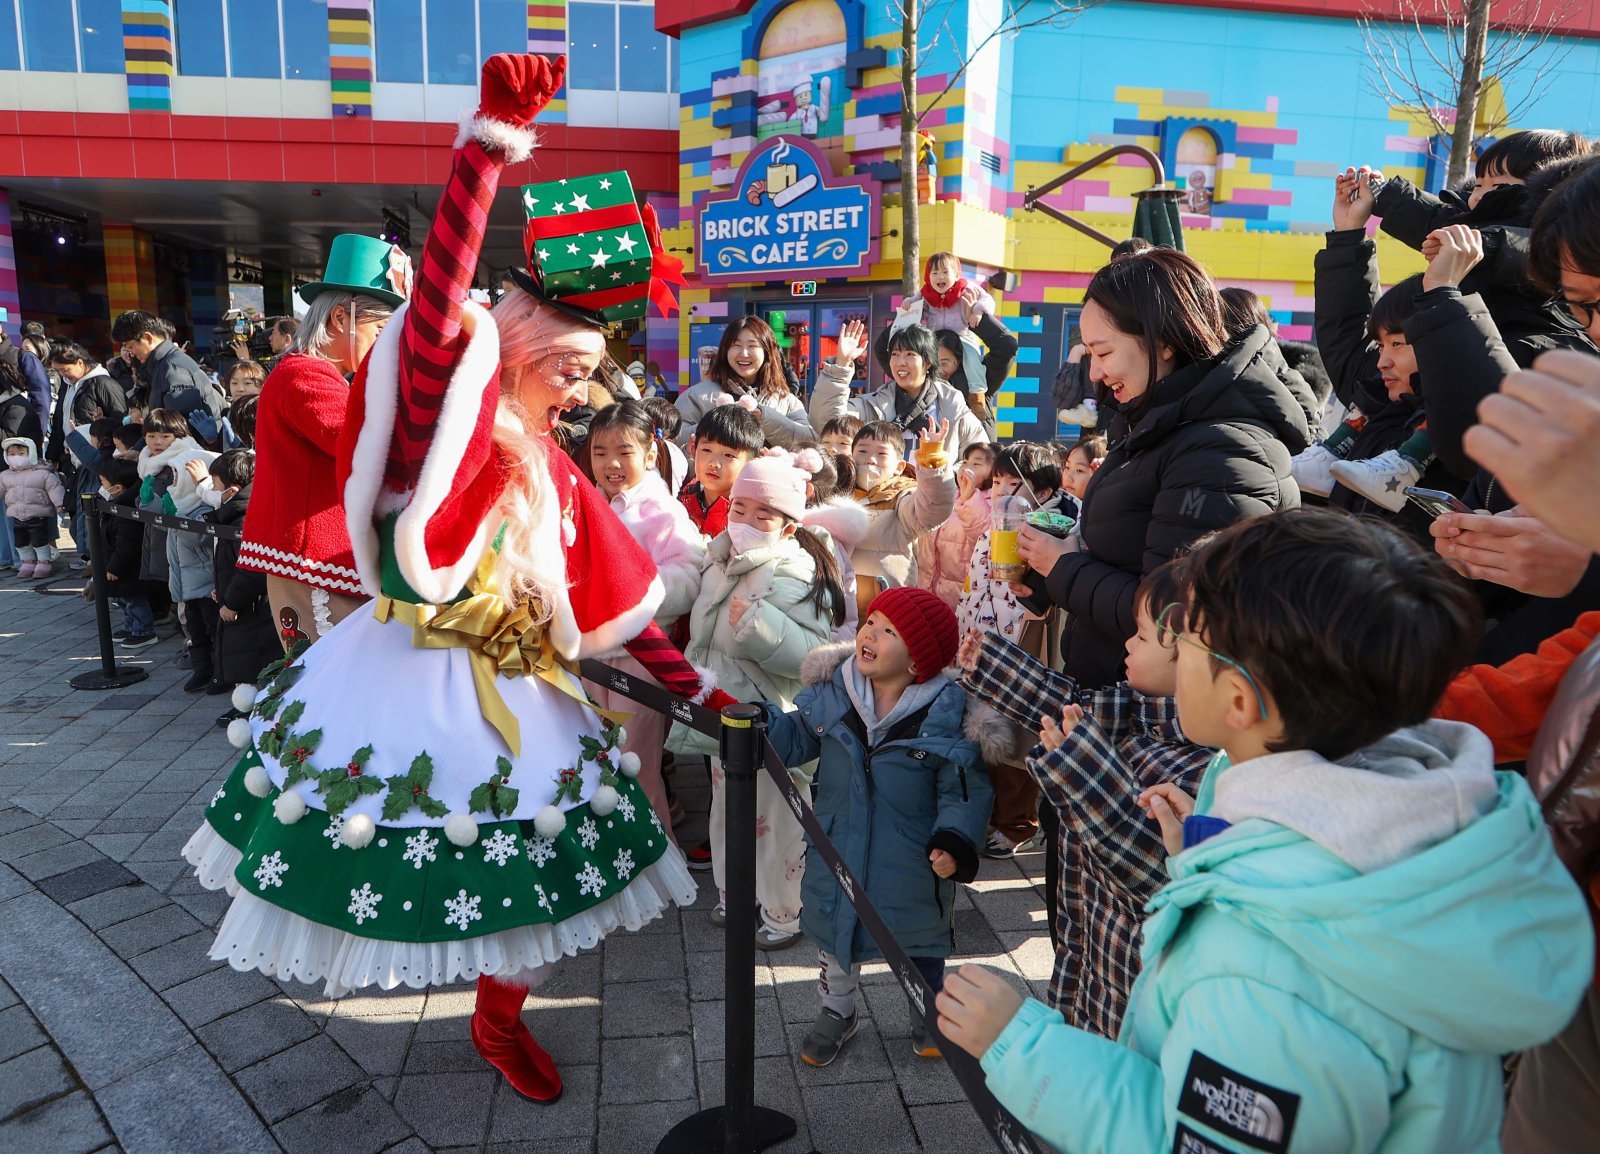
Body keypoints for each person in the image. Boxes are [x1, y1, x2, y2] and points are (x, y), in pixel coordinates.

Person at [182, 52, 732, 1105]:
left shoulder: (559, 470)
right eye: (569, 372)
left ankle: (498, 1014)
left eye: (586, 374)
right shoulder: (444, 426)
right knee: (392, 850)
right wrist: (485, 151)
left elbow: (618, 607)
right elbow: (435, 310)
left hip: (518, 686)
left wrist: (710, 693)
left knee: (531, 880)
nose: (581, 393)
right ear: (516, 353)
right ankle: (461, 997)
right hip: (400, 672)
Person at [937, 508, 1593, 1154]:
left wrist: (1018, 1042)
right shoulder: (1414, 822)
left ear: (1241, 700)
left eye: (1186, 638)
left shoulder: (1263, 972)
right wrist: (1204, 853)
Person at [1012, 248, 1311, 691]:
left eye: (1104, 352)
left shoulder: (1222, 451)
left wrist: (1064, 568)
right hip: (1112, 686)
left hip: (1161, 721)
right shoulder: (1149, 419)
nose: (1093, 373)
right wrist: (1052, 574)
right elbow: (1127, 555)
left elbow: (1173, 617)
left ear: (1164, 341)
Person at [957, 557, 1213, 1037]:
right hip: (1089, 962)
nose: (1127, 643)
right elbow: (1068, 705)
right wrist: (994, 664)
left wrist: (1084, 778)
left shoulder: (1201, 766)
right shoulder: (1140, 712)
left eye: (1140, 634)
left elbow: (1156, 876)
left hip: (1131, 996)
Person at [761, 586, 998, 1067]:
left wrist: (955, 838)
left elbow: (963, 790)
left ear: (917, 663)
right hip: (837, 848)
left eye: (890, 632)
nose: (870, 634)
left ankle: (927, 1010)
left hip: (911, 860)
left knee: (919, 942)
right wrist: (761, 726)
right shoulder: (832, 695)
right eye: (872, 622)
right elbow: (796, 738)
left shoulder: (946, 716)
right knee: (834, 939)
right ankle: (837, 1010)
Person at [673, 453, 845, 948]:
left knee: (778, 826)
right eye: (740, 507)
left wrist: (757, 628)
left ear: (788, 526)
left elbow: (814, 658)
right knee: (726, 812)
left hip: (774, 727)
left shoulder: (794, 571)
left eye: (763, 514)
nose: (746, 522)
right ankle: (734, 895)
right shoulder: (718, 558)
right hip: (727, 720)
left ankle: (784, 911)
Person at [238, 233, 405, 650]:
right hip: (313, 557)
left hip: (316, 554)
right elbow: (363, 447)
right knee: (328, 683)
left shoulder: (310, 373)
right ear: (340, 320)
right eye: (382, 329)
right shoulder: (305, 375)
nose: (388, 344)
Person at [580, 399, 706, 834]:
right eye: (600, 452)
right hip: (590, 653)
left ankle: (656, 859)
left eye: (624, 452)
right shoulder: (586, 504)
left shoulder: (663, 510)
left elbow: (689, 576)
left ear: (650, 454)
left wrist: (631, 593)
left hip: (642, 654)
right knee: (596, 758)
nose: (611, 463)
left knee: (636, 763)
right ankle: (614, 853)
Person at [957, 443, 1066, 859]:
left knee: (1021, 732)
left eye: (1014, 482)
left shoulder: (1055, 524)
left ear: (1042, 486)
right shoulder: (998, 517)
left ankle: (1018, 823)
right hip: (985, 635)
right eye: (998, 481)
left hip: (1024, 640)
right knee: (988, 729)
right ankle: (997, 816)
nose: (1003, 490)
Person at [811, 319, 987, 458]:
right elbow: (827, 422)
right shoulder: (873, 406)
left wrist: (946, 478)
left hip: (937, 500)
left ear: (927, 363)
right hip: (882, 500)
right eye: (895, 354)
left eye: (910, 354)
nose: (900, 362)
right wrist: (841, 365)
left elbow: (979, 456)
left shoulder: (952, 407)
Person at [138, 408, 219, 692]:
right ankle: (201, 669)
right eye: (151, 435)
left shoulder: (202, 506)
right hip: (183, 580)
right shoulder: (178, 499)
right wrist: (151, 505)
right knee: (193, 630)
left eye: (176, 478)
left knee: (211, 628)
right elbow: (162, 528)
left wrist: (179, 520)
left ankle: (218, 672)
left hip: (205, 581)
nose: (172, 483)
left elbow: (203, 540)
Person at [845, 418, 956, 621]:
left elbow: (932, 509)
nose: (870, 459)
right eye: (862, 451)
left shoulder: (902, 496)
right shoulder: (840, 494)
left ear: (899, 466)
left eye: (881, 453)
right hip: (843, 604)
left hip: (889, 608)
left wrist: (932, 462)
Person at [208, 451, 281, 729]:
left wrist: (233, 602)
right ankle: (247, 706)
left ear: (232, 488)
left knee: (253, 659)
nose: (213, 490)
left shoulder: (243, 519)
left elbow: (252, 569)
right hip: (247, 601)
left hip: (252, 607)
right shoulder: (244, 512)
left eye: (215, 484)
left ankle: (253, 710)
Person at [46, 342, 127, 571]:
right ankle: (89, 559)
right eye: (59, 372)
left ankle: (97, 562)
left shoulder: (103, 383)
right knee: (78, 513)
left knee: (94, 513)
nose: (63, 376)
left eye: (65, 370)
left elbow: (120, 421)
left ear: (80, 362)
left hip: (98, 461)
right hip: (75, 458)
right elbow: (62, 422)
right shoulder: (69, 385)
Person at [675, 316, 813, 448]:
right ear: (725, 350)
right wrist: (718, 422)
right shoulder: (696, 395)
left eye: (752, 346)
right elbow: (674, 441)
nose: (744, 353)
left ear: (767, 352)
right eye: (736, 345)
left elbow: (808, 442)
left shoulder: (786, 400)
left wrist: (765, 418)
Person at [110, 310, 227, 444]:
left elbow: (180, 429)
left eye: (131, 347)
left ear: (148, 338)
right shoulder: (163, 366)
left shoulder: (172, 369)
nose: (131, 354)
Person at [916, 440, 996, 610]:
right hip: (930, 588)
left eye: (977, 463)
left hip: (963, 595)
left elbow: (983, 536)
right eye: (965, 462)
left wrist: (969, 498)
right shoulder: (951, 495)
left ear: (994, 472)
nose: (967, 468)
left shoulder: (992, 502)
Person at [678, 403, 763, 541]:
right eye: (707, 450)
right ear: (694, 449)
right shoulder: (683, 499)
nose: (714, 464)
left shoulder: (751, 517)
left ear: (752, 463)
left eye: (729, 455)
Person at [96, 458, 155, 648]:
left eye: (103, 483)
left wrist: (115, 567)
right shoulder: (114, 507)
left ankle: (144, 630)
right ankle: (130, 627)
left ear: (118, 488)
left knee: (134, 601)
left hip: (127, 569)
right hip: (115, 565)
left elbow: (127, 545)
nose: (101, 487)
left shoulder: (125, 513)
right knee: (123, 601)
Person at [0, 437, 65, 579]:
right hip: (16, 516)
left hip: (38, 515)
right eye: (11, 454)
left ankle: (44, 562)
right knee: (20, 542)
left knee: (39, 540)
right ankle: (27, 562)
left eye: (21, 454)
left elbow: (55, 488)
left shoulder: (42, 473)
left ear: (31, 454)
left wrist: (60, 504)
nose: (16, 457)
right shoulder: (5, 476)